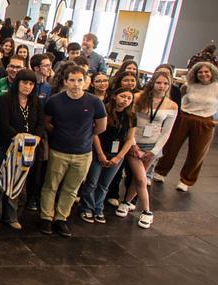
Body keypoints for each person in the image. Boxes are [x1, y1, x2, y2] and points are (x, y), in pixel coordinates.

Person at [40, 66, 107, 237]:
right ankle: (46, 217)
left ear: (85, 82)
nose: (76, 84)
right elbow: (47, 123)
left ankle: (61, 218)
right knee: (51, 186)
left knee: (71, 188)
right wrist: (60, 134)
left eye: (80, 80)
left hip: (83, 153)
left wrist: (84, 136)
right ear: (65, 81)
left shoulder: (94, 102)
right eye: (72, 80)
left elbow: (101, 127)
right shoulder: (54, 101)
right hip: (58, 151)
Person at [0, 69, 46, 229]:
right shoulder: (5, 99)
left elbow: (40, 124)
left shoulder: (36, 102)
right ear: (17, 83)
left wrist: (37, 137)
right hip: (5, 146)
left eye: (31, 83)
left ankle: (11, 216)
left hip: (27, 149)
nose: (27, 86)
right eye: (24, 82)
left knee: (17, 182)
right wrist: (17, 136)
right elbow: (3, 124)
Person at [115, 72, 178, 229]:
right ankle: (147, 211)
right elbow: (130, 120)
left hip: (152, 147)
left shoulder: (172, 105)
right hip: (134, 143)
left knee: (139, 178)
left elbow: (166, 132)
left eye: (165, 83)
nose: (161, 86)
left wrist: (155, 151)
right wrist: (134, 144)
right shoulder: (138, 98)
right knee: (142, 179)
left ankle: (126, 202)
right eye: (158, 83)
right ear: (152, 83)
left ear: (169, 85)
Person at [154, 62, 218, 191]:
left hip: (205, 122)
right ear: (195, 74)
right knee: (171, 146)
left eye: (206, 71)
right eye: (200, 72)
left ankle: (186, 180)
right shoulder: (188, 86)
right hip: (185, 117)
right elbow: (180, 100)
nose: (203, 74)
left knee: (197, 153)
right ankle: (160, 172)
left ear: (212, 73)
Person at [78, 87, 137, 224]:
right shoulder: (103, 110)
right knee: (92, 182)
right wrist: (100, 154)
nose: (125, 100)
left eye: (129, 98)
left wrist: (119, 157)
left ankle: (98, 208)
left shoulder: (131, 116)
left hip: (117, 154)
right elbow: (95, 133)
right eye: (122, 96)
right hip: (99, 151)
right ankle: (86, 207)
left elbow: (129, 139)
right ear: (115, 96)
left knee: (105, 184)